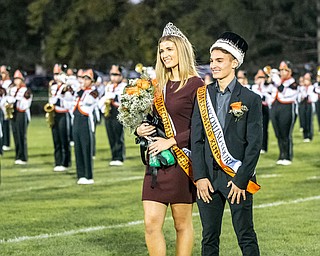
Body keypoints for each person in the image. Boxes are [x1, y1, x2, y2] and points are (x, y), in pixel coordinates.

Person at [136, 22, 203, 256]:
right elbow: (154, 120)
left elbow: (202, 128)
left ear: (181, 51)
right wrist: (140, 129)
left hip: (181, 162)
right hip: (156, 161)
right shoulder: (158, 86)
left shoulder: (196, 84)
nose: (164, 55)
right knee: (151, 223)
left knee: (181, 224)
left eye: (169, 49)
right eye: (162, 50)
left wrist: (171, 141)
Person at [191, 32, 262, 256]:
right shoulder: (202, 95)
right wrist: (200, 177)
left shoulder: (251, 98)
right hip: (208, 179)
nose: (213, 65)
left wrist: (241, 180)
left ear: (234, 63)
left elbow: (254, 144)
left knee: (245, 234)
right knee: (209, 236)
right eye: (212, 60)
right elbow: (197, 139)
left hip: (237, 177)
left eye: (219, 60)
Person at [72, 69, 98, 185]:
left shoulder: (93, 92)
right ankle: (80, 174)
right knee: (77, 147)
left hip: (85, 120)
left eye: (87, 78)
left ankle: (88, 175)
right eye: (83, 78)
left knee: (86, 148)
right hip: (76, 119)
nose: (84, 81)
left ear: (92, 81)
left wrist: (80, 89)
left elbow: (88, 101)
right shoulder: (79, 90)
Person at [270, 60, 298, 165]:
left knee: (285, 133)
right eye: (280, 70)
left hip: (287, 107)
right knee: (278, 133)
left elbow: (284, 92)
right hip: (275, 106)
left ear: (290, 71)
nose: (282, 72)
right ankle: (281, 154)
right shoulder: (278, 81)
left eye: (284, 70)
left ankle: (287, 156)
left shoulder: (293, 82)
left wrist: (277, 81)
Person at [98, 65, 126, 166]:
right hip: (108, 110)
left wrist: (114, 96)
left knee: (118, 134)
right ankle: (114, 155)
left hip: (118, 110)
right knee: (110, 134)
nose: (113, 77)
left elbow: (124, 100)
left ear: (121, 75)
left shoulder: (124, 86)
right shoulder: (109, 86)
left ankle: (119, 156)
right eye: (111, 74)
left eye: (116, 74)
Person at [48, 64, 72, 172]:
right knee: (56, 138)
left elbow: (68, 102)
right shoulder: (52, 86)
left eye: (58, 73)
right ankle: (58, 161)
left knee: (64, 139)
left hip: (63, 113)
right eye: (55, 74)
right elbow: (51, 99)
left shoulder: (66, 87)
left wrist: (59, 97)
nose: (56, 76)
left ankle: (65, 162)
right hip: (54, 113)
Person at [7, 70, 32, 165]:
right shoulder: (12, 89)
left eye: (18, 79)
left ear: (22, 80)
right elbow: (8, 98)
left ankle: (23, 156)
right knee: (15, 134)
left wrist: (16, 101)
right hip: (14, 113)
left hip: (21, 113)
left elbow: (26, 104)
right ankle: (17, 155)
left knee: (22, 135)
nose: (16, 81)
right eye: (15, 79)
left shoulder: (26, 90)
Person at [251, 69, 273, 154]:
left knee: (264, 128)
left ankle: (264, 147)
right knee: (255, 129)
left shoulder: (268, 87)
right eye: (259, 77)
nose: (260, 79)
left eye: (262, 77)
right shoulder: (253, 87)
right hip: (256, 109)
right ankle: (256, 146)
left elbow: (269, 98)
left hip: (264, 108)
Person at [298, 72, 317, 142]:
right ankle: (305, 135)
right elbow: (299, 97)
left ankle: (309, 135)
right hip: (303, 104)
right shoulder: (301, 88)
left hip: (309, 104)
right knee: (303, 119)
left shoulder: (312, 87)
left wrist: (309, 95)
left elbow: (315, 97)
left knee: (309, 119)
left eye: (307, 78)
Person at [0, 65, 13, 151]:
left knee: (6, 125)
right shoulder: (1, 82)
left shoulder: (9, 83)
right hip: (1, 105)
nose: (2, 74)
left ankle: (6, 143)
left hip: (6, 105)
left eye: (3, 72)